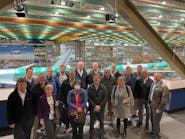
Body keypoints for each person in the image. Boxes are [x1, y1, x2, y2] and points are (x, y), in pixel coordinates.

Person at [148, 73, 169, 138]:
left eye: (157, 77)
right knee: (152, 119)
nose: (155, 78)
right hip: (152, 105)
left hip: (157, 107)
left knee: (156, 121)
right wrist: (149, 103)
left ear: (160, 77)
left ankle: (156, 135)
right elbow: (150, 94)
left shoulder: (164, 86)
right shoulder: (153, 83)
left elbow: (164, 99)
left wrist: (159, 108)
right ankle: (153, 131)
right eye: (154, 77)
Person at [88, 74, 108, 139]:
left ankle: (101, 133)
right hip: (92, 108)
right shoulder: (89, 87)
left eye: (97, 78)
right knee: (91, 121)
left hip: (101, 108)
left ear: (99, 79)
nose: (96, 79)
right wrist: (94, 105)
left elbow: (105, 97)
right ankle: (91, 133)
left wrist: (100, 105)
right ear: (93, 79)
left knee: (101, 121)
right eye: (95, 78)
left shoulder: (103, 87)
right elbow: (88, 98)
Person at [31, 73, 47, 139]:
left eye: (43, 77)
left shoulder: (48, 86)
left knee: (46, 126)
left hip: (46, 110)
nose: (42, 79)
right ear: (38, 78)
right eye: (40, 77)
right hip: (37, 111)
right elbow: (32, 100)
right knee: (35, 127)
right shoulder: (35, 87)